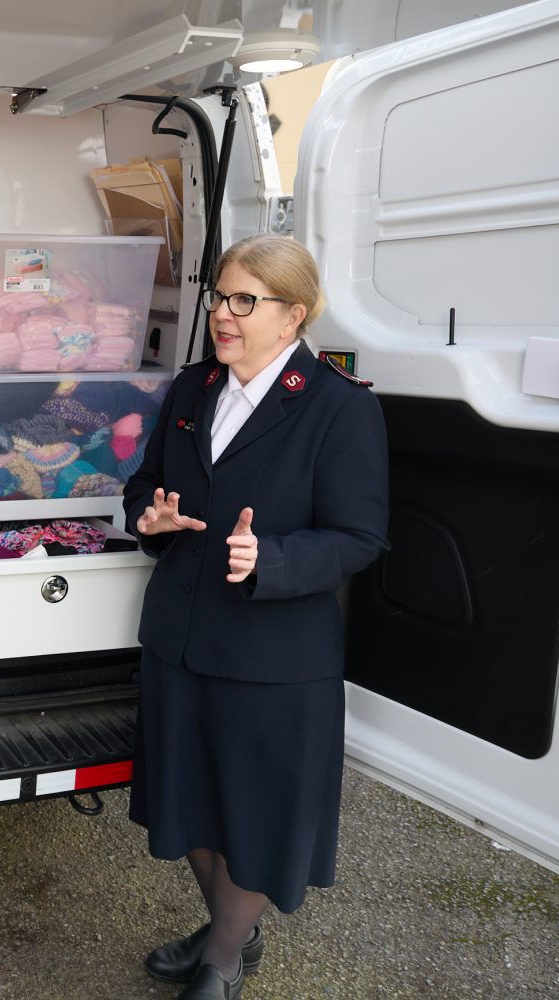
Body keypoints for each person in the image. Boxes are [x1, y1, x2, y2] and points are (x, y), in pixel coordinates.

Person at [123, 235, 390, 1000]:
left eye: (246, 301)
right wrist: (152, 518)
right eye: (220, 297)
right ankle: (232, 928)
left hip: (273, 655)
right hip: (179, 637)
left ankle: (225, 959)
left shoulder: (341, 408)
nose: (223, 315)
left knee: (252, 816)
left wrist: (270, 562)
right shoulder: (192, 388)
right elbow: (143, 485)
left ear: (293, 315)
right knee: (189, 801)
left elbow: (359, 536)